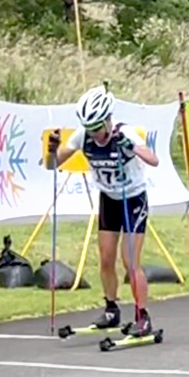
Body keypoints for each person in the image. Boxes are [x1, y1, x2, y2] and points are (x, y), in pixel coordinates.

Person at [47, 85, 160, 336]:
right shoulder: (83, 135)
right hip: (109, 198)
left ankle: (143, 316)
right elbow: (52, 164)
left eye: (98, 127)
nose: (95, 133)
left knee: (130, 261)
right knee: (106, 259)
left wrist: (130, 146)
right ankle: (111, 309)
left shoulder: (125, 132)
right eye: (90, 128)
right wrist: (52, 149)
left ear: (109, 119)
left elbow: (153, 160)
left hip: (133, 199)